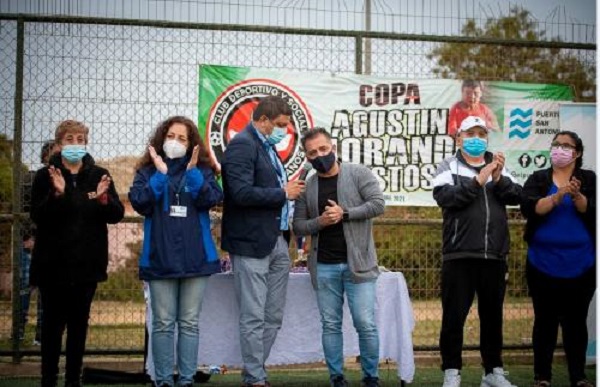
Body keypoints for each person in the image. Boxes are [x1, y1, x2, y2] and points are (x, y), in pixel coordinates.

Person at [129, 116, 223, 387]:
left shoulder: (202, 170)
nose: (176, 141)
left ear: (192, 143)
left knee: (190, 323)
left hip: (197, 258)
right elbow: (140, 202)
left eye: (183, 138)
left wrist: (193, 173)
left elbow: (212, 199)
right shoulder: (148, 171)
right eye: (171, 136)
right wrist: (159, 174)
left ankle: (186, 379)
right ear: (162, 138)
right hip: (160, 258)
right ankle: (162, 381)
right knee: (162, 324)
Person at [30, 120, 124, 387]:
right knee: (51, 327)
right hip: (53, 266)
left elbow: (115, 214)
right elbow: (38, 215)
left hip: (87, 265)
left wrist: (104, 200)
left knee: (79, 325)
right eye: (69, 139)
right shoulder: (44, 176)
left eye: (80, 138)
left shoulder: (100, 175)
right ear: (59, 144)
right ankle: (48, 378)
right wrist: (57, 196)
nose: (75, 143)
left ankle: (73, 380)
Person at [221, 95, 305, 387]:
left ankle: (254, 372)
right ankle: (256, 378)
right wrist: (283, 193)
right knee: (254, 316)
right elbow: (240, 193)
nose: (284, 130)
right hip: (250, 243)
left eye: (287, 125)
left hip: (278, 241)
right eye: (280, 124)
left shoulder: (269, 149)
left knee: (273, 316)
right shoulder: (243, 145)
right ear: (263, 120)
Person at [432, 116, 522, 387]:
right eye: (470, 133)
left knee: (493, 317)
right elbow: (444, 197)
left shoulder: (498, 166)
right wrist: (477, 182)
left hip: (494, 256)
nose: (476, 138)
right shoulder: (448, 165)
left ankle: (492, 372)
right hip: (459, 256)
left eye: (481, 133)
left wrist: (497, 178)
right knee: (453, 318)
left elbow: (517, 197)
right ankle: (452, 372)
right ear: (459, 138)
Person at [292, 128, 385, 387]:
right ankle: (336, 377)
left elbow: (378, 204)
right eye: (312, 153)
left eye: (323, 149)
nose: (319, 155)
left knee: (365, 323)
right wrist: (320, 222)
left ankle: (371, 376)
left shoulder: (358, 173)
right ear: (307, 157)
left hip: (360, 264)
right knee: (330, 324)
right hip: (323, 266)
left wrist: (345, 213)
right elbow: (299, 226)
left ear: (333, 147)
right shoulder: (308, 186)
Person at [520, 131, 596, 387]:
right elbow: (530, 208)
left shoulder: (589, 179)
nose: (559, 149)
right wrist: (557, 195)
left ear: (578, 153)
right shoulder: (538, 178)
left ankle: (579, 377)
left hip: (582, 265)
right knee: (545, 322)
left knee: (576, 322)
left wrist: (576, 196)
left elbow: (592, 209)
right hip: (542, 264)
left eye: (566, 145)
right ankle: (542, 377)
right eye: (556, 145)